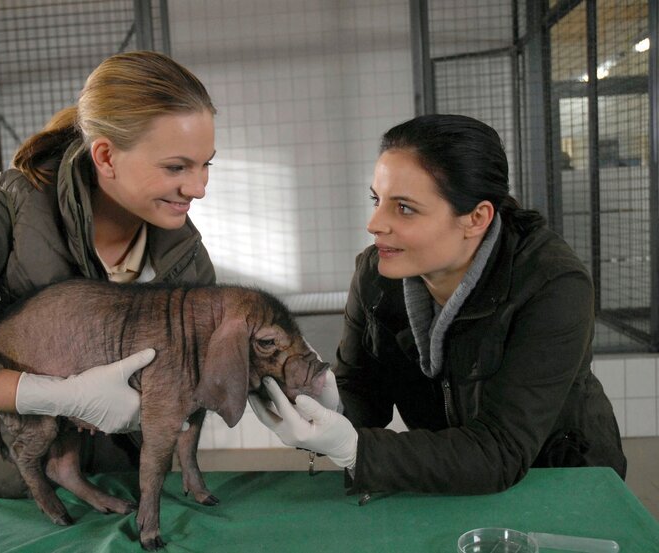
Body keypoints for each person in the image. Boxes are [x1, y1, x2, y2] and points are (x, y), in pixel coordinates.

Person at [0, 51, 217, 498]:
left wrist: (281, 394)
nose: (199, 188)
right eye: (176, 167)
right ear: (105, 156)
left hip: (115, 465)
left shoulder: (185, 254)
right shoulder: (5, 213)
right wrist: (54, 396)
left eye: (207, 164)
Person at [249, 114, 626, 497]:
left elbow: (500, 451)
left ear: (476, 218)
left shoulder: (551, 285)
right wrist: (329, 404)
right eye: (376, 200)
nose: (374, 223)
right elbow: (363, 391)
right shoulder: (376, 277)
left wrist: (356, 450)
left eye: (405, 208)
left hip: (563, 479)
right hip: (455, 472)